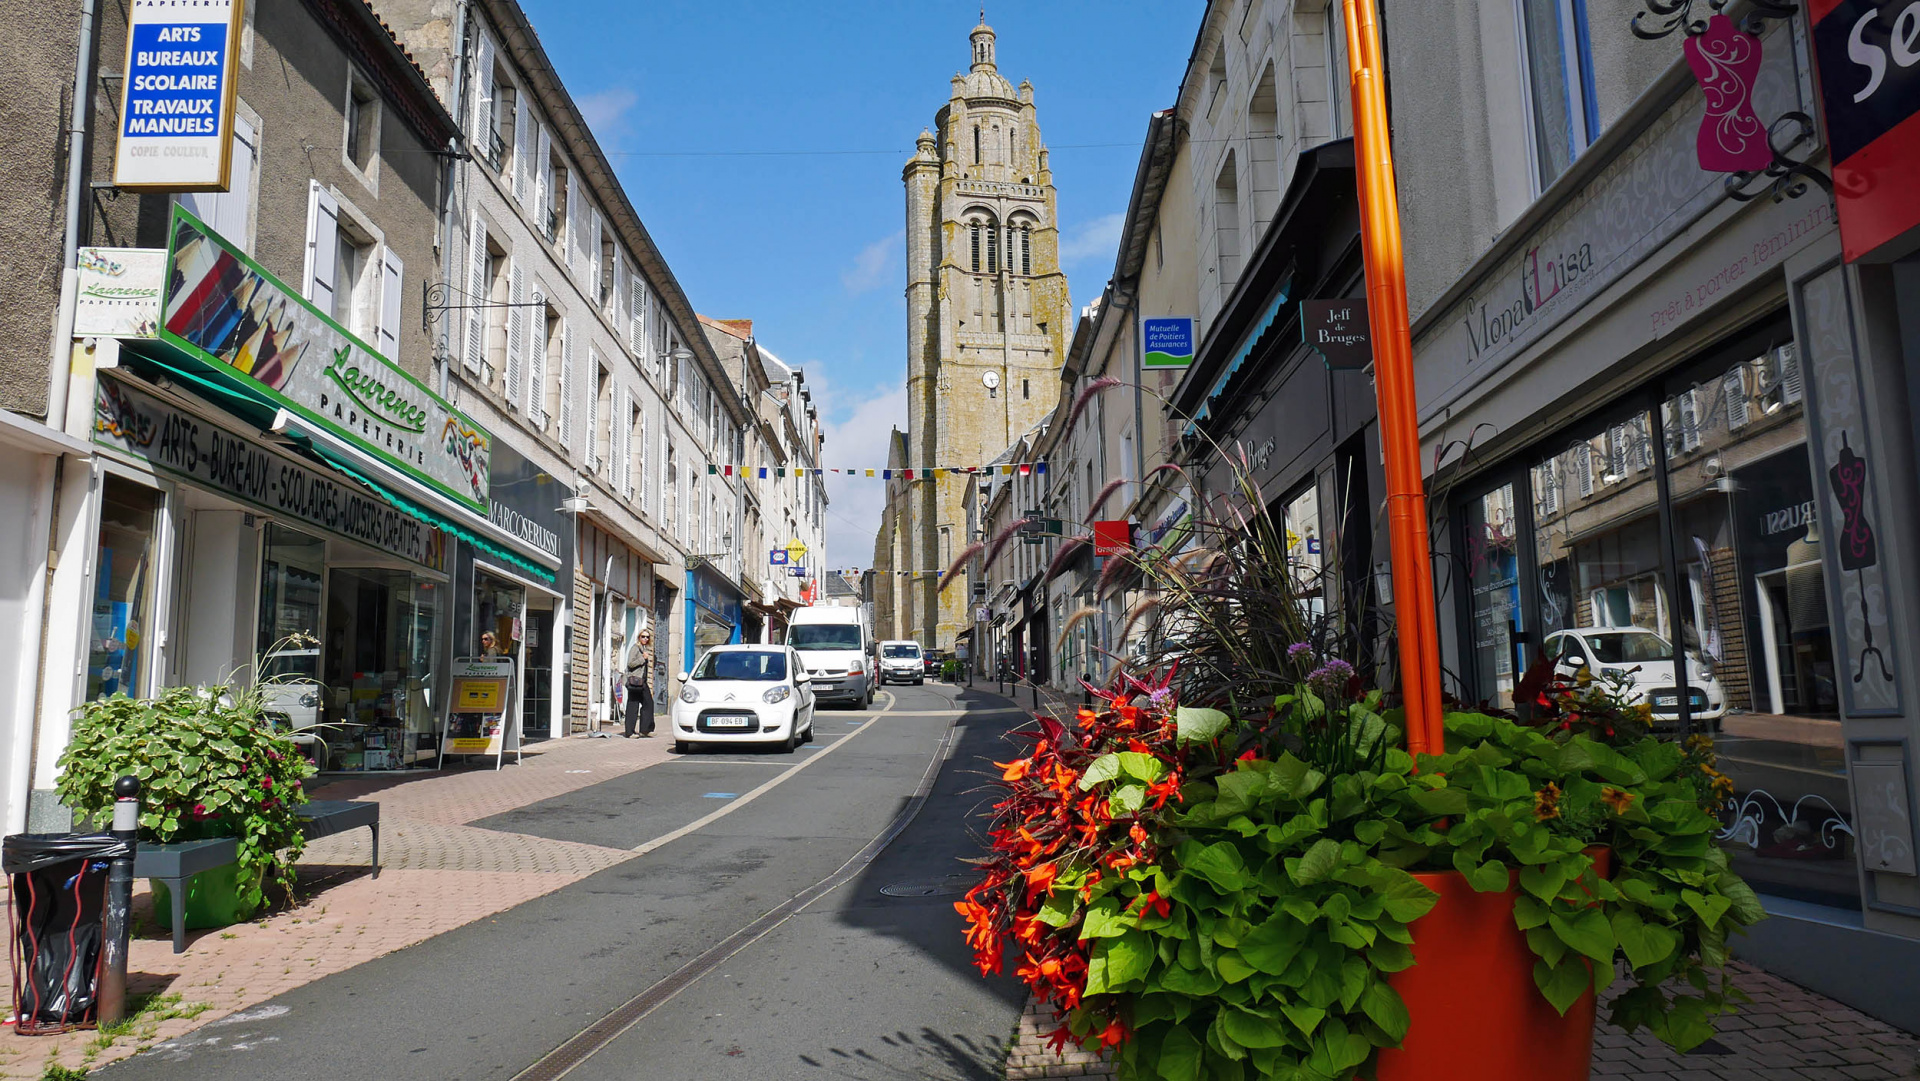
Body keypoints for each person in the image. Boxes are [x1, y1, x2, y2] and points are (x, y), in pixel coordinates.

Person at [623, 626, 654, 738]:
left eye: (647, 637)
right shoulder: (635, 648)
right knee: (633, 705)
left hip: (642, 682)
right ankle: (630, 732)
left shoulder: (643, 649)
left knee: (648, 703)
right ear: (639, 637)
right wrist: (643, 659)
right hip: (635, 681)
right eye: (643, 636)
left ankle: (645, 730)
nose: (645, 638)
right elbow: (630, 663)